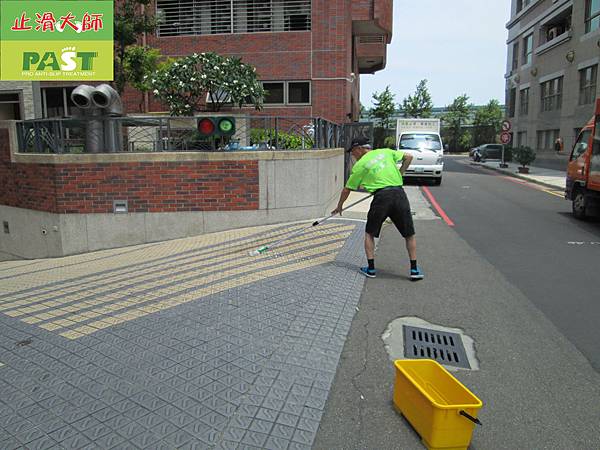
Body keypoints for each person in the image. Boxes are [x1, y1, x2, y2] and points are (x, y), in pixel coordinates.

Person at [332, 137, 424, 281]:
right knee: (409, 234)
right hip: (399, 194)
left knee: (369, 233)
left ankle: (371, 269)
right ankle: (414, 269)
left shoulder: (360, 165)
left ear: (360, 149)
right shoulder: (386, 152)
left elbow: (346, 189)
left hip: (381, 197)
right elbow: (409, 157)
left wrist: (339, 206)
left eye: (353, 152)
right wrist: (400, 173)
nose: (353, 156)